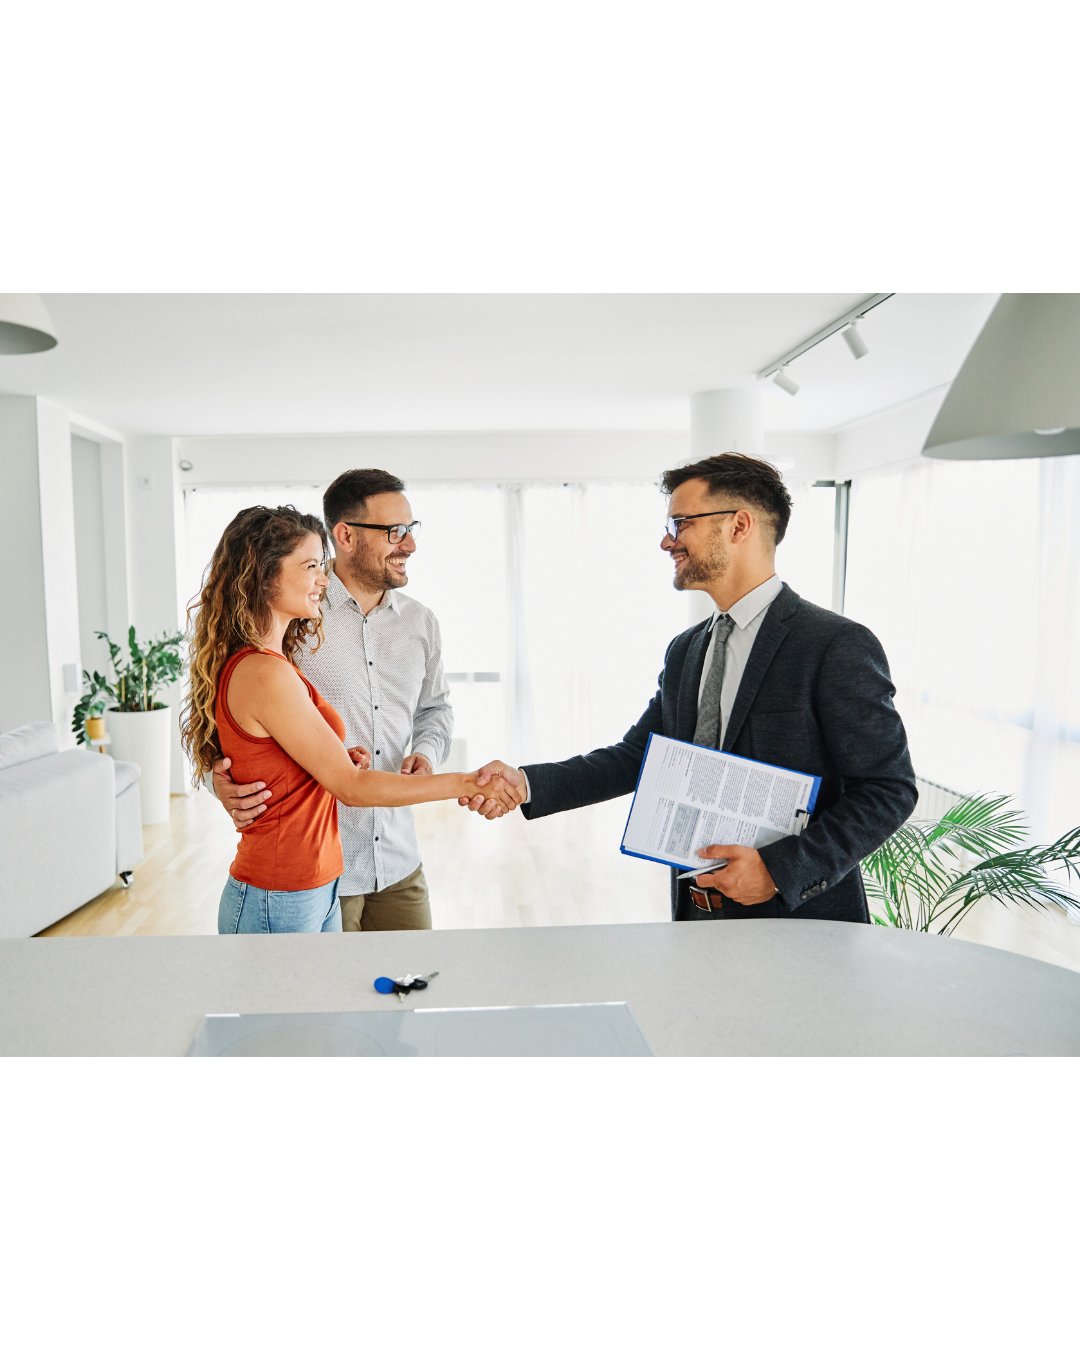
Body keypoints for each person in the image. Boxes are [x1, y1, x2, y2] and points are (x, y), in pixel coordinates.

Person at [461, 453, 917, 923]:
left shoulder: (835, 644)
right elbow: (640, 756)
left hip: (800, 917)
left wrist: (779, 870)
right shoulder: (687, 650)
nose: (666, 541)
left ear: (739, 526)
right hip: (698, 910)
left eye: (680, 523)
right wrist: (528, 782)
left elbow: (888, 789)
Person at [181, 505, 516, 934]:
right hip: (281, 892)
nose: (322, 578)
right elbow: (351, 787)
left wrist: (335, 755)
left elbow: (289, 755)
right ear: (264, 576)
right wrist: (467, 783)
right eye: (310, 566)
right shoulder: (265, 671)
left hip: (323, 879)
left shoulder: (277, 660)